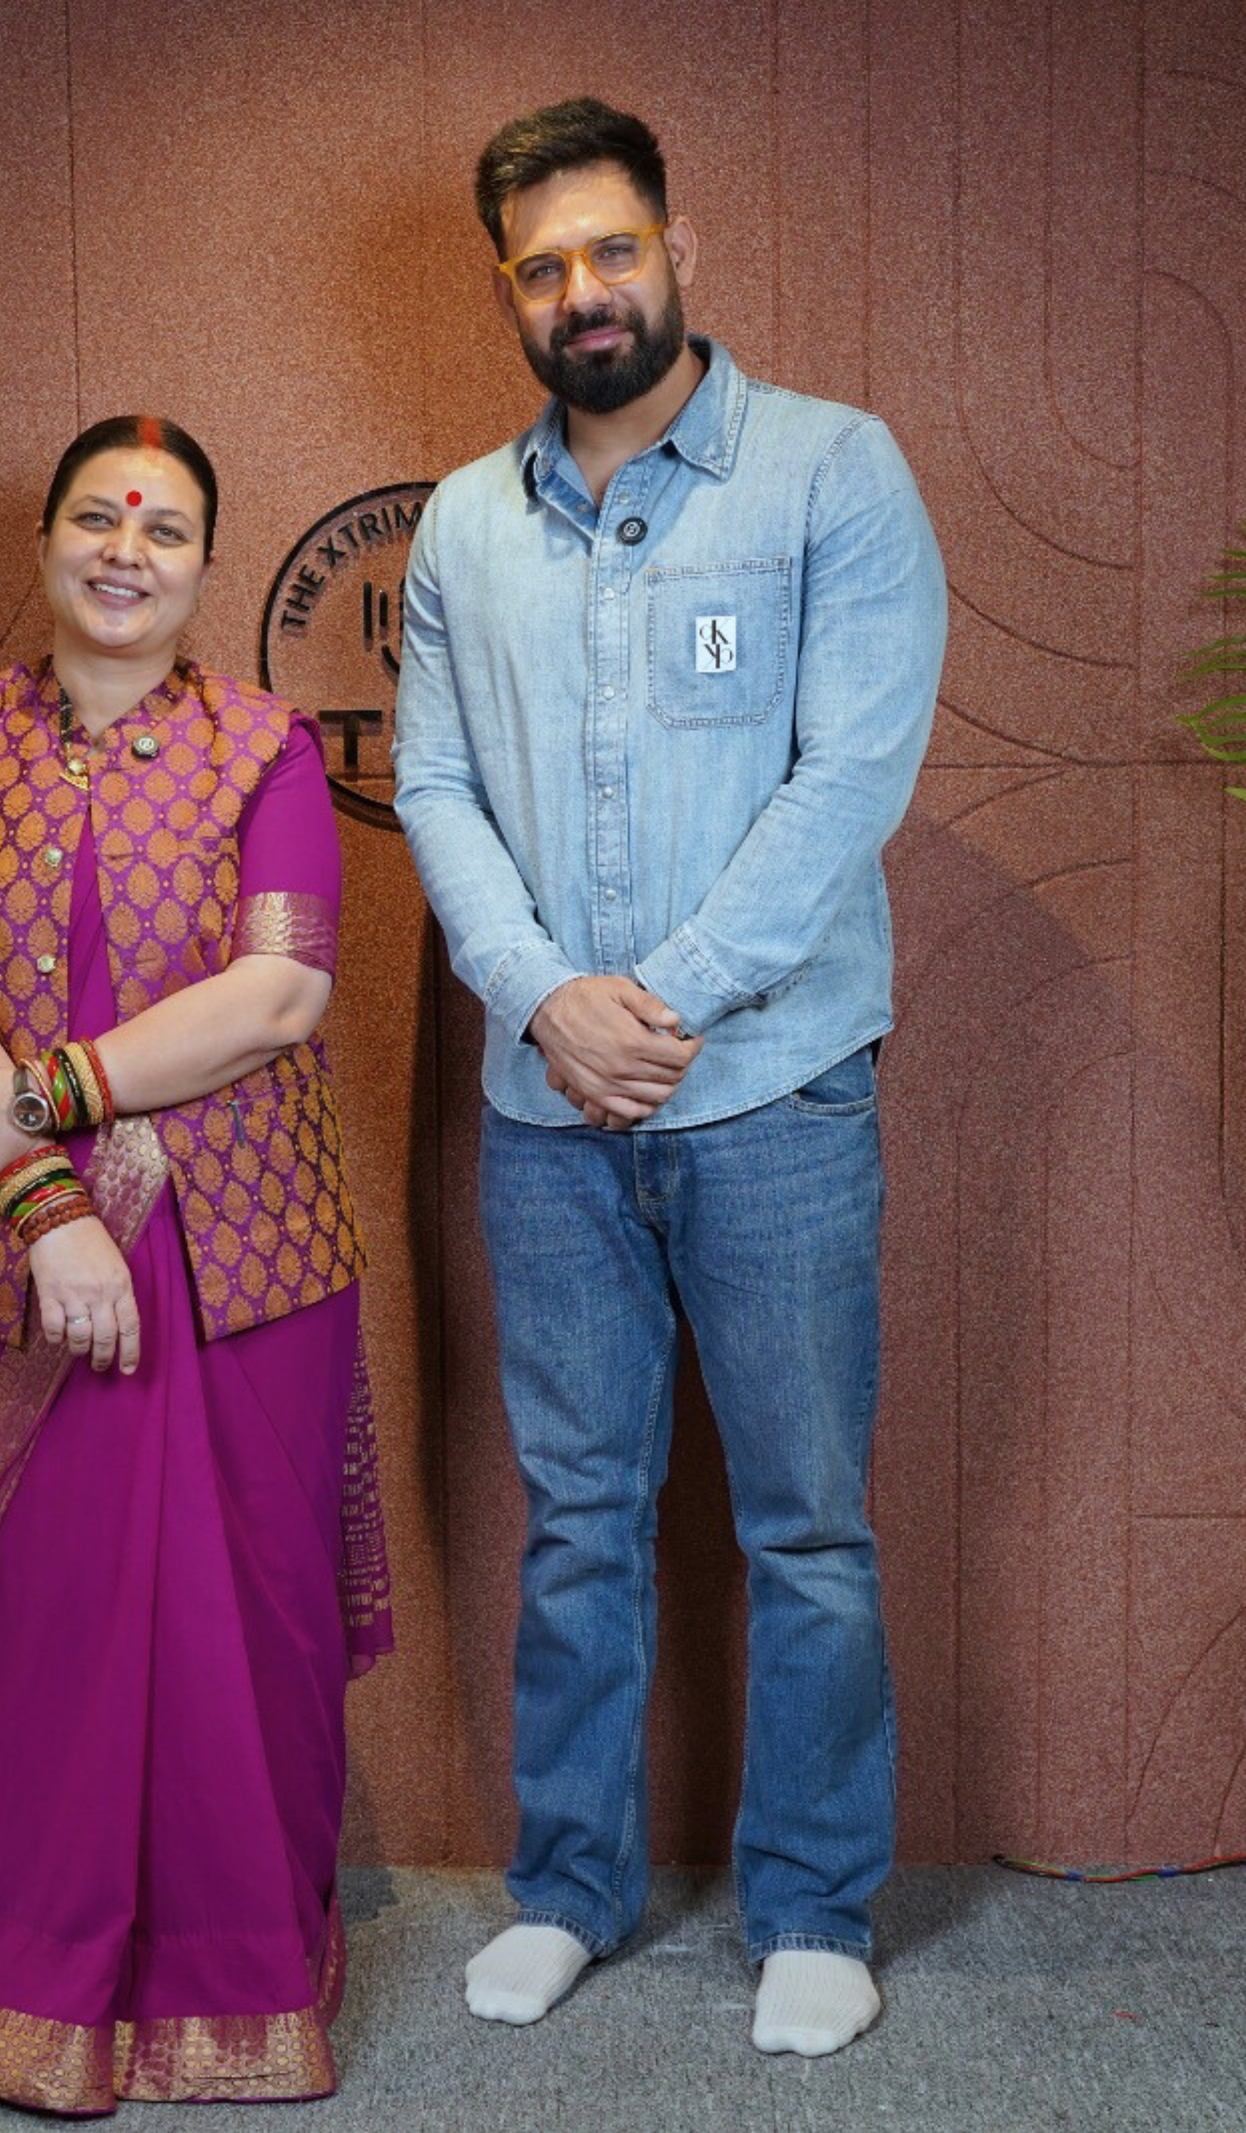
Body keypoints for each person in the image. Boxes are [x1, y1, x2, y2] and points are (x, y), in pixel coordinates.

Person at [394, 99, 946, 2057]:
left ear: (671, 243)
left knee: (803, 1521)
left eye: (607, 248)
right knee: (578, 1518)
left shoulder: (829, 473)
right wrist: (545, 998)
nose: (581, 290)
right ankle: (566, 1885)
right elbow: (433, 784)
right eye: (540, 267)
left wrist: (668, 1000)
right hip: (549, 1128)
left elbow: (847, 778)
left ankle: (810, 1901)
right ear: (508, 294)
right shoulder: (463, 523)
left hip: (775, 1101)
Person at [0, 413, 391, 2113]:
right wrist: (48, 1195)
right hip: (10, 1253)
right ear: (44, 540)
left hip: (243, 1249)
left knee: (251, 1617)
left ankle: (232, 1982)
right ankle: (23, 1975)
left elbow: (281, 996)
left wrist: (50, 1088)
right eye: (97, 516)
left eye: (165, 530)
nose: (126, 549)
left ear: (204, 567)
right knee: (63, 1618)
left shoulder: (262, 752)